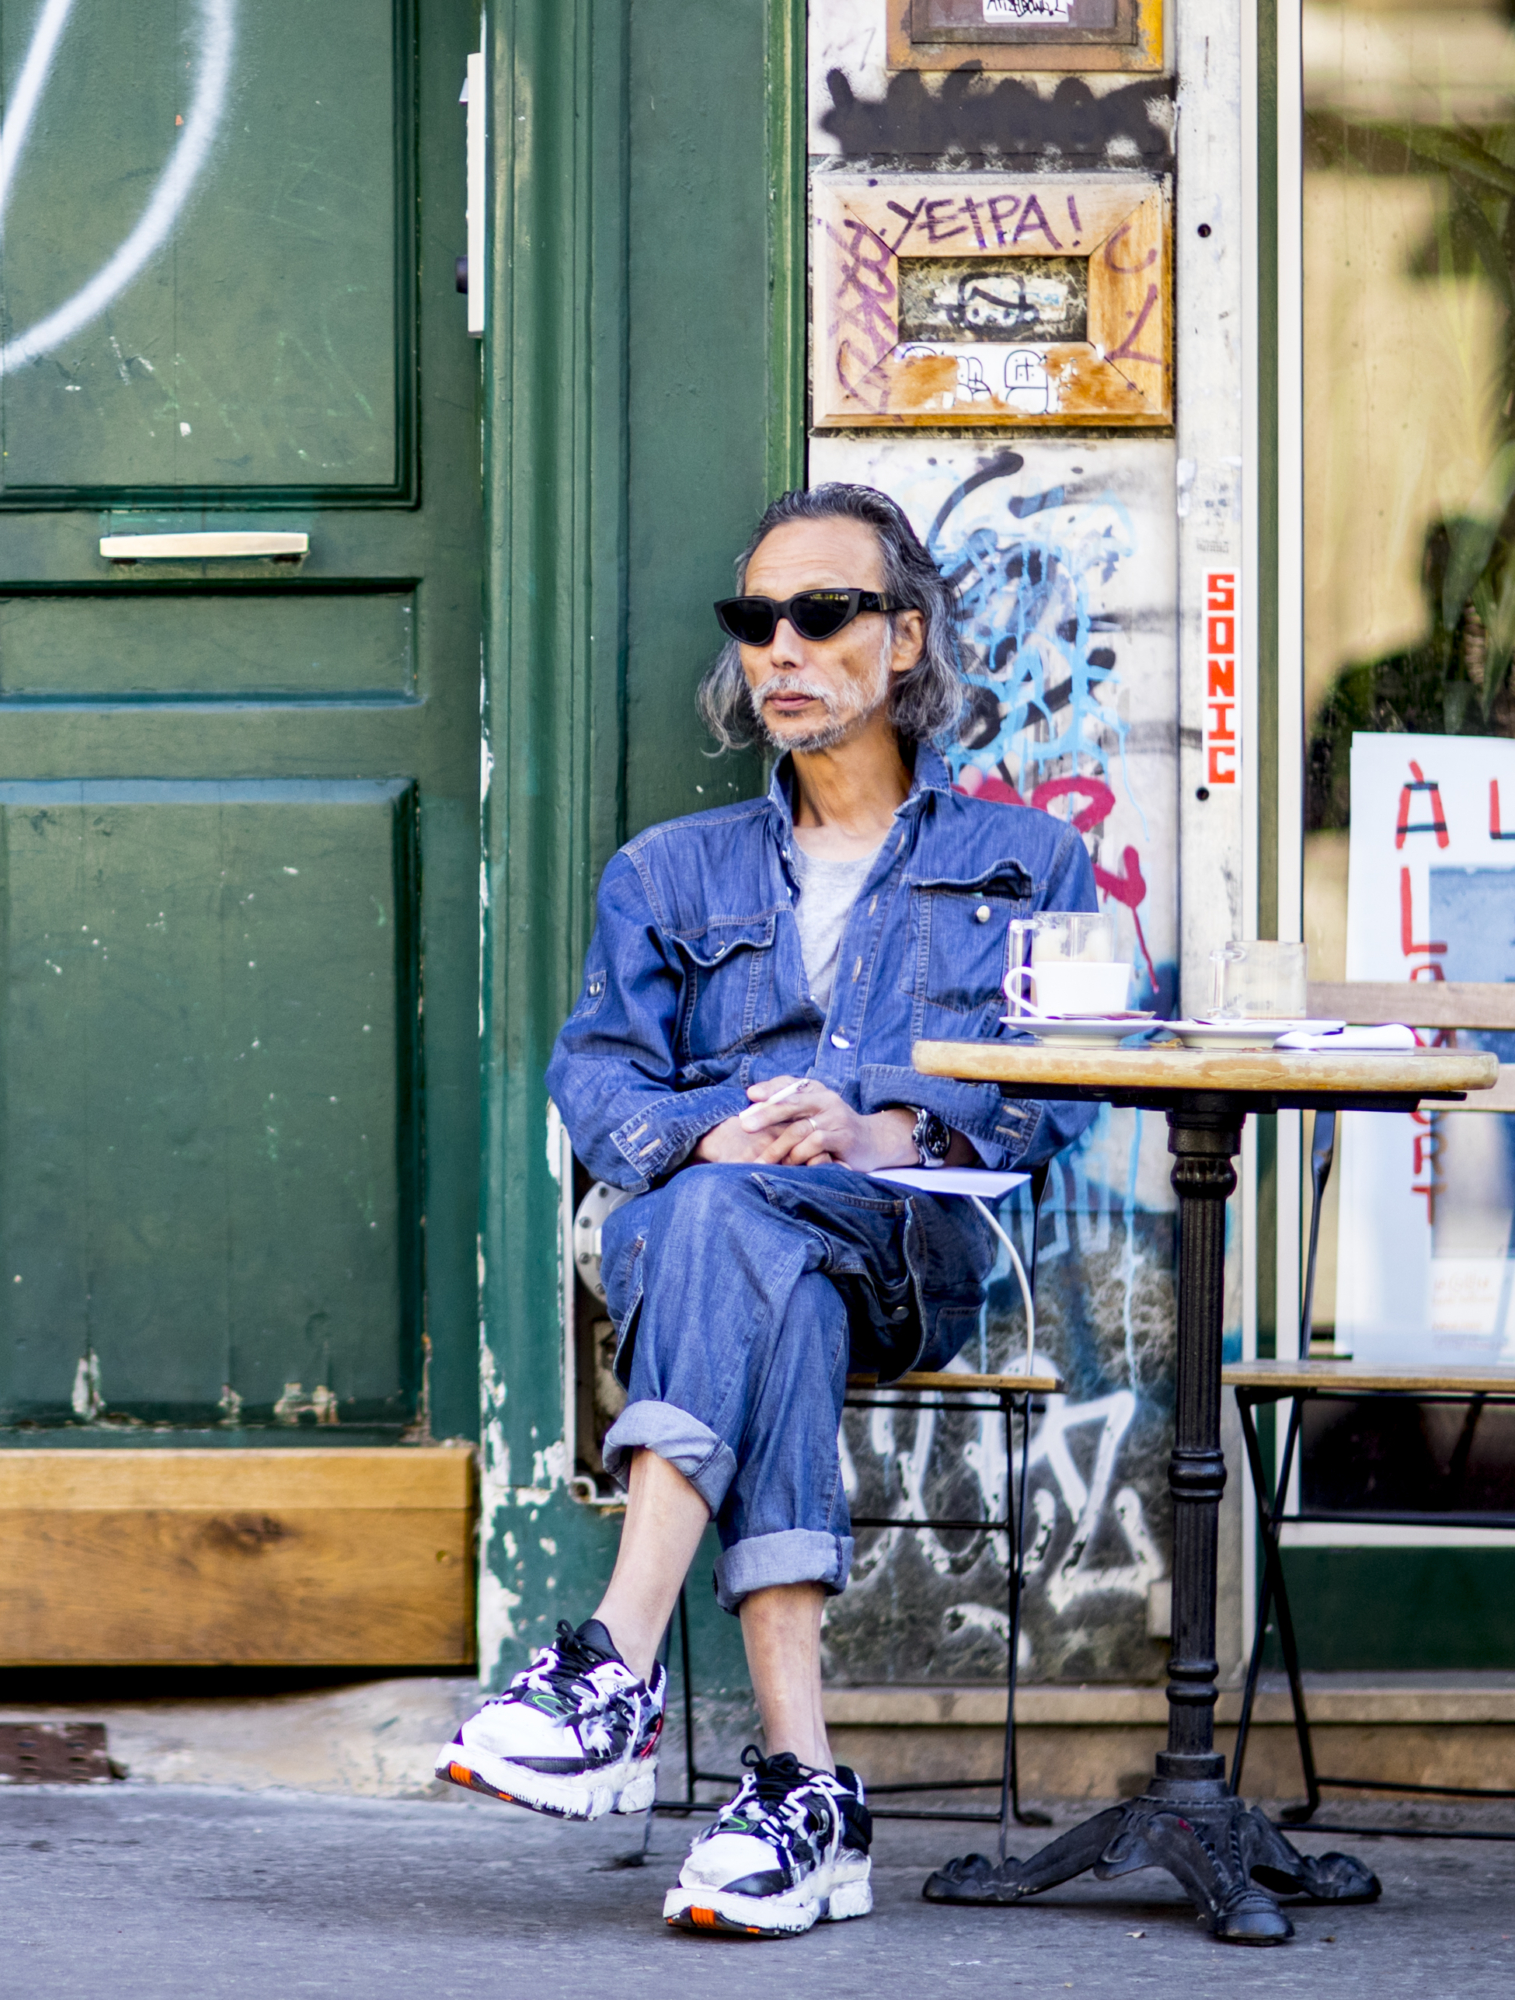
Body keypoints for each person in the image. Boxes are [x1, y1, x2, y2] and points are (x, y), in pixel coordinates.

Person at [438, 483, 1101, 1937]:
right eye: (756, 619)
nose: (782, 647)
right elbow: (596, 1076)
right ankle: (803, 1796)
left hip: (908, 1246)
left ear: (905, 638)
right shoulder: (665, 872)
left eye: (823, 613)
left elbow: (1072, 1081)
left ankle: (612, 1662)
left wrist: (883, 1126)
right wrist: (711, 1129)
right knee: (755, 1257)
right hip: (720, 1251)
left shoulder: (1030, 862)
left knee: (736, 1225)